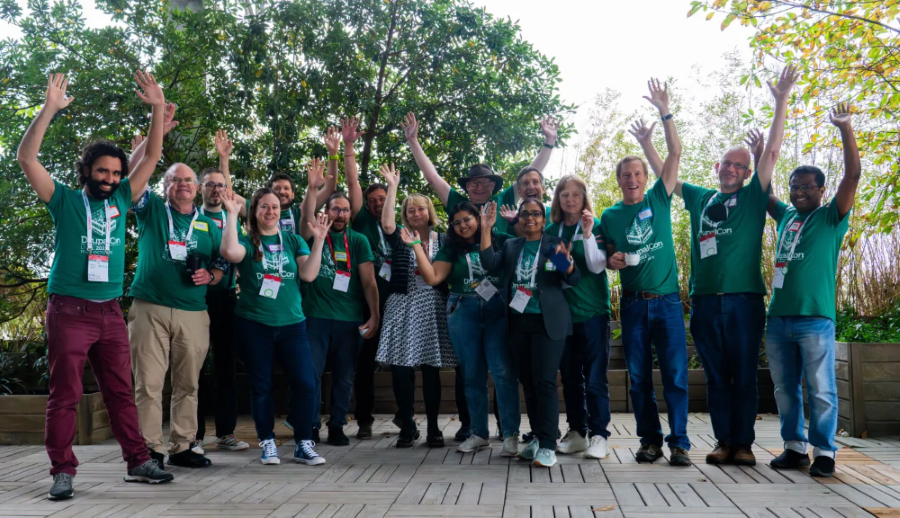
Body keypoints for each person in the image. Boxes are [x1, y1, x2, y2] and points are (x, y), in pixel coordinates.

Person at [629, 65, 799, 466]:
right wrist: (651, 135)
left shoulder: (756, 196)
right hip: (704, 301)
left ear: (748, 172)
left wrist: (781, 101)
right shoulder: (700, 197)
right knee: (717, 374)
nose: (732, 170)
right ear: (717, 168)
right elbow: (663, 173)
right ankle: (724, 441)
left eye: (740, 166)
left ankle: (744, 444)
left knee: (743, 372)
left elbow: (772, 151)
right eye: (727, 164)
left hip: (743, 300)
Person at [17, 72, 175, 500]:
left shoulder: (123, 199)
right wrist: (49, 109)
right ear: (86, 170)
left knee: (121, 391)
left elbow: (152, 157)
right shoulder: (65, 200)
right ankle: (62, 472)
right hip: (69, 310)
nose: (108, 178)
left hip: (109, 311)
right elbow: (27, 158)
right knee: (64, 395)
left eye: (115, 172)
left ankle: (139, 461)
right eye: (101, 171)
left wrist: (158, 108)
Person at [765, 104, 859, 478]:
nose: (800, 191)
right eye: (795, 186)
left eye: (807, 186)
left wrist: (845, 128)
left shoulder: (831, 215)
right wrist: (761, 153)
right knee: (784, 389)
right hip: (778, 319)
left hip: (815, 318)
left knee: (820, 389)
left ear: (821, 189)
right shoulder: (787, 216)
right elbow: (762, 188)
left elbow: (852, 174)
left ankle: (824, 451)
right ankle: (794, 447)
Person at [218, 161, 333, 466]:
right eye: (264, 207)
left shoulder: (293, 240)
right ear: (254, 212)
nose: (271, 211)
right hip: (255, 324)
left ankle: (303, 442)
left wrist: (319, 240)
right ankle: (267, 441)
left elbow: (308, 275)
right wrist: (231, 214)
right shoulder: (246, 241)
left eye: (275, 206)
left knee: (307, 383)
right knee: (262, 385)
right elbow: (230, 254)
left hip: (293, 324)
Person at [601, 78, 690, 466]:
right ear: (619, 181)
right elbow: (603, 254)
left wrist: (664, 111)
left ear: (644, 178)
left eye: (638, 173)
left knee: (675, 378)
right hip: (634, 306)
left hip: (669, 303)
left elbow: (675, 151)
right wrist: (611, 261)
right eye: (626, 176)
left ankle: (680, 443)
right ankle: (649, 441)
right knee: (639, 381)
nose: (633, 180)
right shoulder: (609, 215)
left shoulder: (659, 196)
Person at [129, 152, 229, 469]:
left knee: (188, 384)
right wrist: (143, 151)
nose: (182, 184)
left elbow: (223, 262)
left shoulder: (210, 224)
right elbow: (133, 183)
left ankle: (183, 446)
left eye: (188, 180)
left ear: (197, 188)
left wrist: (211, 276)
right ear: (165, 186)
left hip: (192, 312)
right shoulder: (152, 210)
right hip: (150, 307)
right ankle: (150, 450)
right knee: (149, 383)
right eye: (175, 179)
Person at [413, 198, 522, 456]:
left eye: (468, 219)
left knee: (503, 373)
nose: (463, 225)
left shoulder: (502, 239)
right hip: (463, 310)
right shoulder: (452, 248)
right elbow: (433, 277)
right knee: (472, 375)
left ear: (479, 217)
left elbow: (529, 250)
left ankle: (510, 435)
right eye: (457, 222)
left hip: (497, 309)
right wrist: (417, 246)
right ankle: (479, 433)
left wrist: (512, 221)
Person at [480, 199, 580, 468]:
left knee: (545, 381)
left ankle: (549, 445)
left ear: (543, 218)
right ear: (520, 219)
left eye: (536, 214)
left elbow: (573, 279)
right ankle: (537, 437)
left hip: (549, 323)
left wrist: (566, 262)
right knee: (529, 383)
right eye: (525, 214)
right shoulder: (513, 245)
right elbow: (489, 263)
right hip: (518, 323)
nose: (530, 218)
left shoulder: (553, 245)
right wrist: (486, 228)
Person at [299, 154, 380, 446]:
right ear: (327, 210)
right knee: (312, 374)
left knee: (345, 377)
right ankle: (309, 425)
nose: (341, 215)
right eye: (336, 209)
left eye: (346, 210)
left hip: (349, 321)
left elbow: (369, 281)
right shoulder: (314, 233)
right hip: (316, 317)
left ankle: (336, 426)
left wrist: (374, 315)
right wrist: (312, 189)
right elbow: (307, 215)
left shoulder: (358, 240)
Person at [374, 164, 456, 448]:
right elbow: (386, 224)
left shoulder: (442, 239)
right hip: (401, 304)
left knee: (431, 369)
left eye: (420, 209)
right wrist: (392, 186)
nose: (416, 213)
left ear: (429, 212)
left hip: (432, 307)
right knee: (400, 369)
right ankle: (407, 425)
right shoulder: (400, 236)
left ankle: (434, 427)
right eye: (410, 210)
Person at [189, 130, 249, 455]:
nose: (216, 189)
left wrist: (225, 160)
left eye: (221, 185)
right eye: (210, 184)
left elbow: (232, 200)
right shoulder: (190, 217)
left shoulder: (232, 218)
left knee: (226, 367)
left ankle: (225, 432)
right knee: (194, 367)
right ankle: (193, 435)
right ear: (200, 189)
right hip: (195, 302)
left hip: (226, 301)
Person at [400, 112, 557, 231]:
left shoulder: (503, 201)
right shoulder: (458, 203)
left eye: (484, 182)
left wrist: (549, 141)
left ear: (493, 186)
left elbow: (531, 174)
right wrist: (413, 142)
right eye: (474, 183)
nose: (479, 187)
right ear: (467, 187)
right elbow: (432, 177)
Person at [546, 175, 611, 459]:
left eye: (575, 194)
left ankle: (599, 434)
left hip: (593, 312)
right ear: (558, 200)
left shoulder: (594, 226)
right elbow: (554, 272)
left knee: (595, 378)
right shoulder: (552, 230)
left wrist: (585, 235)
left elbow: (597, 268)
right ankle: (576, 432)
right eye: (564, 195)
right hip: (564, 317)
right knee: (571, 377)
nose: (570, 200)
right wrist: (562, 261)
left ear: (584, 198)